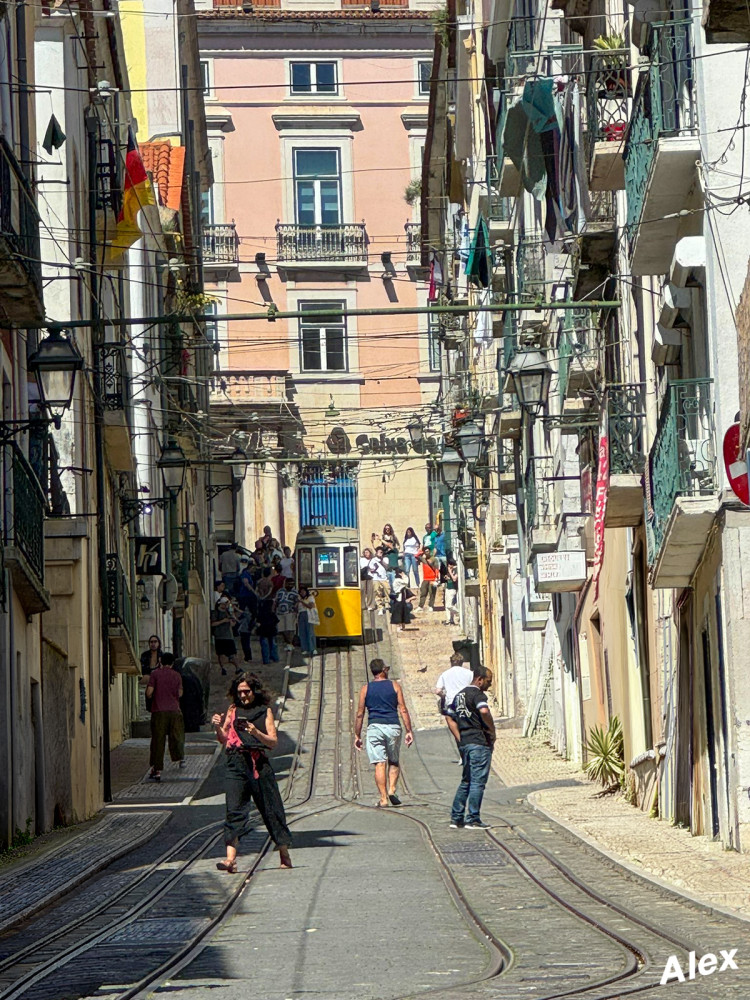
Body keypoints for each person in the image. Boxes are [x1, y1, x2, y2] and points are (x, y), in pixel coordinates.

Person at [211, 672, 293, 872]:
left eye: (246, 691)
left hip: (258, 765)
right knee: (234, 809)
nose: (243, 696)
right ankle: (230, 859)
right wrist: (217, 727)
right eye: (239, 692)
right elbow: (224, 738)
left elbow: (273, 742)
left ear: (254, 690)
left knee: (271, 808)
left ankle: (284, 853)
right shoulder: (233, 710)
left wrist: (255, 733)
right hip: (235, 763)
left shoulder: (264, 711)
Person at [354, 659, 414, 807]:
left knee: (380, 764)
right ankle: (392, 789)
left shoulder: (365, 689)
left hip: (374, 727)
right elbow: (403, 709)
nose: (388, 670)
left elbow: (360, 713)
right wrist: (409, 730)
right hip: (393, 726)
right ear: (382, 670)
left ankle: (383, 798)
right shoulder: (394, 686)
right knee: (393, 760)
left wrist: (357, 734)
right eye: (386, 669)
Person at [446, 667, 496, 830]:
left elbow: (449, 716)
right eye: (488, 681)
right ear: (479, 679)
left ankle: (456, 817)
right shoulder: (477, 695)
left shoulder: (459, 695)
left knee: (466, 780)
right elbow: (483, 710)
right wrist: (491, 729)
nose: (489, 685)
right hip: (478, 742)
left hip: (466, 742)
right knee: (477, 781)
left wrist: (459, 736)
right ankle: (473, 818)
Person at [145, 652, 185, 781]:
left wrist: (152, 695)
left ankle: (157, 769)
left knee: (158, 741)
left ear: (160, 661)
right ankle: (180, 758)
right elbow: (180, 693)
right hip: (174, 711)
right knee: (177, 736)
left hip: (159, 711)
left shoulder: (155, 674)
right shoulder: (177, 675)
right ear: (173, 662)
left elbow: (149, 692)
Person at [435, 651, 473, 718]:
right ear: (462, 662)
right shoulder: (470, 673)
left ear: (451, 662)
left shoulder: (445, 674)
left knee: (453, 722)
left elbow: (438, 691)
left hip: (451, 702)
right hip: (466, 702)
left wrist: (444, 697)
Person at [212, 594, 239, 675]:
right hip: (219, 636)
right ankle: (223, 668)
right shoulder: (215, 613)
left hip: (228, 636)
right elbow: (213, 624)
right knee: (221, 654)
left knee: (233, 654)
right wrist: (223, 621)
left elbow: (233, 624)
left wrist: (232, 619)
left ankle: (237, 668)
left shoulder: (228, 612)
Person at [274, 576, 300, 652]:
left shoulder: (295, 592)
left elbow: (297, 602)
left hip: (290, 612)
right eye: (288, 583)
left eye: (291, 584)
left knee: (290, 628)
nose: (289, 585)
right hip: (280, 612)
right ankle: (288, 642)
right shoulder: (280, 591)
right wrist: (273, 609)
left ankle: (290, 643)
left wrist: (295, 610)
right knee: (282, 629)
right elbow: (276, 601)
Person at [257, 597, 280, 664]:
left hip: (263, 631)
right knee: (272, 645)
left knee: (265, 646)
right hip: (271, 631)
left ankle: (266, 660)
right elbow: (276, 621)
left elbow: (258, 622)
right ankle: (274, 658)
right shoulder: (272, 614)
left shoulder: (261, 614)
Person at [297, 586, 319, 655]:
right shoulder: (299, 599)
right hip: (301, 614)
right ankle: (304, 648)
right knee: (302, 632)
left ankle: (313, 648)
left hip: (308, 614)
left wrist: (301, 601)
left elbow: (310, 606)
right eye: (301, 592)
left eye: (303, 591)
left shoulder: (310, 597)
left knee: (310, 631)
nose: (302, 593)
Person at [390, 566, 413, 632]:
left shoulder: (398, 580)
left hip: (402, 599)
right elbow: (406, 582)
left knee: (403, 612)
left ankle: (403, 626)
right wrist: (404, 576)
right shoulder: (397, 580)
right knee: (398, 613)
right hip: (398, 599)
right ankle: (398, 627)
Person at [368, 547, 390, 615]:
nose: (380, 553)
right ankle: (380, 607)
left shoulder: (385, 559)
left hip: (383, 578)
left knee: (387, 590)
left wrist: (381, 560)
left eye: (381, 552)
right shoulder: (373, 560)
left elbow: (386, 567)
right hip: (376, 578)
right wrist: (373, 570)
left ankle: (387, 603)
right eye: (379, 552)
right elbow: (370, 569)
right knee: (377, 591)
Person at [443, 557, 459, 625]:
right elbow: (449, 577)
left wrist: (450, 572)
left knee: (450, 605)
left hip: (453, 589)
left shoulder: (456, 569)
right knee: (447, 606)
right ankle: (449, 620)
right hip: (447, 588)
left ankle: (458, 613)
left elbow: (454, 579)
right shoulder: (449, 569)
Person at [360, 547, 375, 612]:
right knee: (362, 590)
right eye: (365, 552)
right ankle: (362, 605)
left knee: (370, 590)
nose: (366, 554)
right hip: (363, 576)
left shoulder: (373, 560)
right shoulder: (361, 559)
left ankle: (370, 605)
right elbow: (361, 567)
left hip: (370, 576)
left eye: (367, 552)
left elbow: (374, 567)